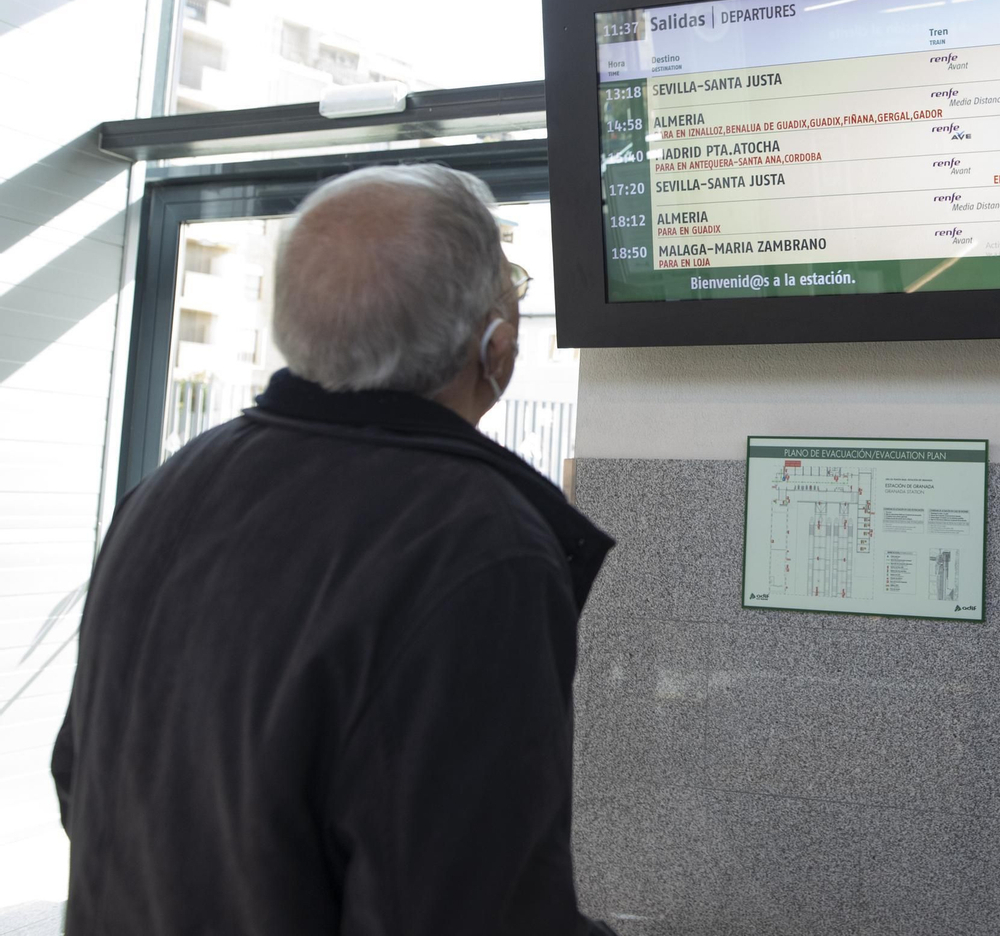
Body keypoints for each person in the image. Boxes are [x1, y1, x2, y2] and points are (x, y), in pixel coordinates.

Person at [51, 164, 616, 935]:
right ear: (496, 342)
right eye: (510, 282)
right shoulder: (481, 546)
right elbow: (467, 906)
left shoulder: (168, 487)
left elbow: (80, 781)